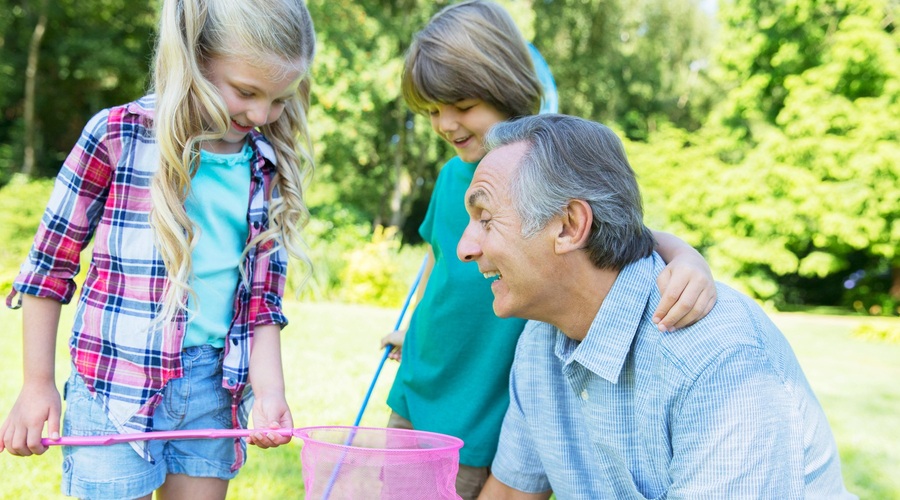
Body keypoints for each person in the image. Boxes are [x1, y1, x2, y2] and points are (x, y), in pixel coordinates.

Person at [380, 1, 717, 498]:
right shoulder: (452, 177)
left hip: (478, 404)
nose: (444, 125)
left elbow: (624, 235)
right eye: (431, 111)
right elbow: (438, 260)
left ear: (505, 86)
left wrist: (688, 258)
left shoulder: (550, 168)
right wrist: (414, 328)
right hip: (422, 376)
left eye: (462, 106)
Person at [0, 0, 316, 498]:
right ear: (193, 58)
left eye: (279, 99)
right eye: (247, 92)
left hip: (213, 390)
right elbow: (49, 267)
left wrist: (271, 393)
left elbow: (261, 302)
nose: (261, 115)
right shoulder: (117, 134)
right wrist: (37, 383)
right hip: (112, 383)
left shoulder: (264, 165)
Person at [456, 114, 856, 499]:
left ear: (569, 226)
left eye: (486, 219)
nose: (464, 248)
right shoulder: (541, 340)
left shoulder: (718, 359)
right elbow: (510, 493)